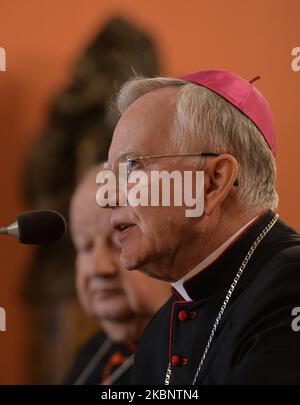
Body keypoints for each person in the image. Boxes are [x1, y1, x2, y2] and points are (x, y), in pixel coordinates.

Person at [99, 70, 300, 384]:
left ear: (213, 182)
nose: (106, 196)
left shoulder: (290, 289)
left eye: (132, 166)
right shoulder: (158, 335)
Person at [65, 165, 170, 385]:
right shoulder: (92, 354)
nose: (98, 267)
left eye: (117, 242)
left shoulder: (203, 352)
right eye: (85, 246)